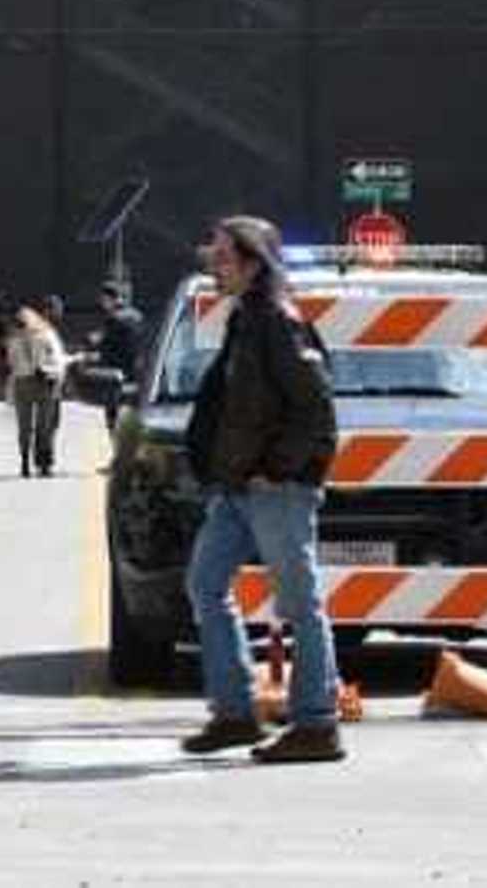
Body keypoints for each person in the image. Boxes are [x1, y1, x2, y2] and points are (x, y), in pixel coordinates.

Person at [182, 216, 345, 766]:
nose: (214, 265)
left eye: (224, 256)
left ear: (254, 264)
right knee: (205, 583)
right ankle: (235, 713)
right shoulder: (247, 319)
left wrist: (277, 469)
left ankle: (316, 723)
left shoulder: (276, 320)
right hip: (238, 486)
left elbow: (315, 408)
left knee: (299, 602)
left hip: (275, 488)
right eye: (213, 255)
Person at [5, 301, 67, 477]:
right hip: (44, 382)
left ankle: (25, 461)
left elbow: (10, 362)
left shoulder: (13, 339)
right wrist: (58, 377)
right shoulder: (46, 334)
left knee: (24, 426)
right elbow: (57, 359)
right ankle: (43, 463)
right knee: (44, 425)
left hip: (22, 382)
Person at [91, 281, 145, 433]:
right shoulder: (137, 316)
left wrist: (96, 345)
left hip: (115, 374)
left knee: (113, 419)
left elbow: (107, 345)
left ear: (108, 298)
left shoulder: (113, 318)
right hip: (136, 373)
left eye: (103, 300)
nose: (102, 304)